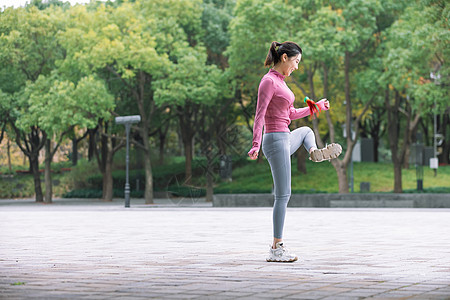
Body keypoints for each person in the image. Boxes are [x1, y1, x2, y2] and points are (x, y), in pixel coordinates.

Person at [247, 41, 342, 263]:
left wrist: (315, 106)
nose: (296, 67)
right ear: (284, 58)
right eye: (296, 61)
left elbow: (290, 113)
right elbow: (259, 115)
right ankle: (276, 248)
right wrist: (255, 144)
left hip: (285, 137)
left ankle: (315, 152)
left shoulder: (281, 82)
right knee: (283, 195)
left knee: (307, 131)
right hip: (275, 140)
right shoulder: (268, 82)